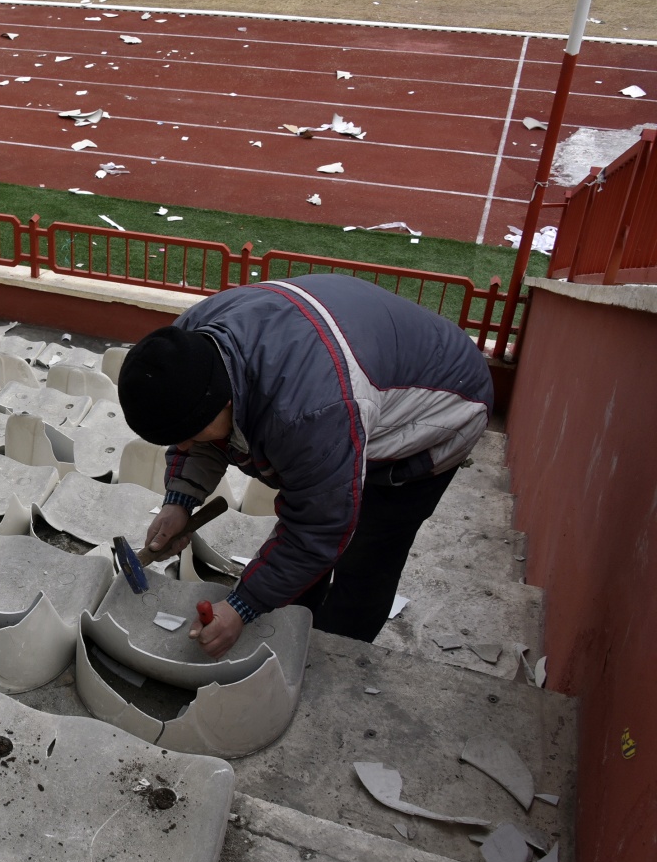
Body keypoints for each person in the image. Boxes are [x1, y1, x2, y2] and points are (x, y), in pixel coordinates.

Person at [117, 274, 493, 658]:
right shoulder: (185, 346)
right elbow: (203, 428)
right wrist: (179, 502)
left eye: (188, 433)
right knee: (307, 553)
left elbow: (318, 528)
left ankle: (332, 664)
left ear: (224, 401)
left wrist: (242, 605)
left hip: (442, 408)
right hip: (351, 371)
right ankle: (295, 620)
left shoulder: (312, 414)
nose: (181, 446)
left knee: (365, 557)